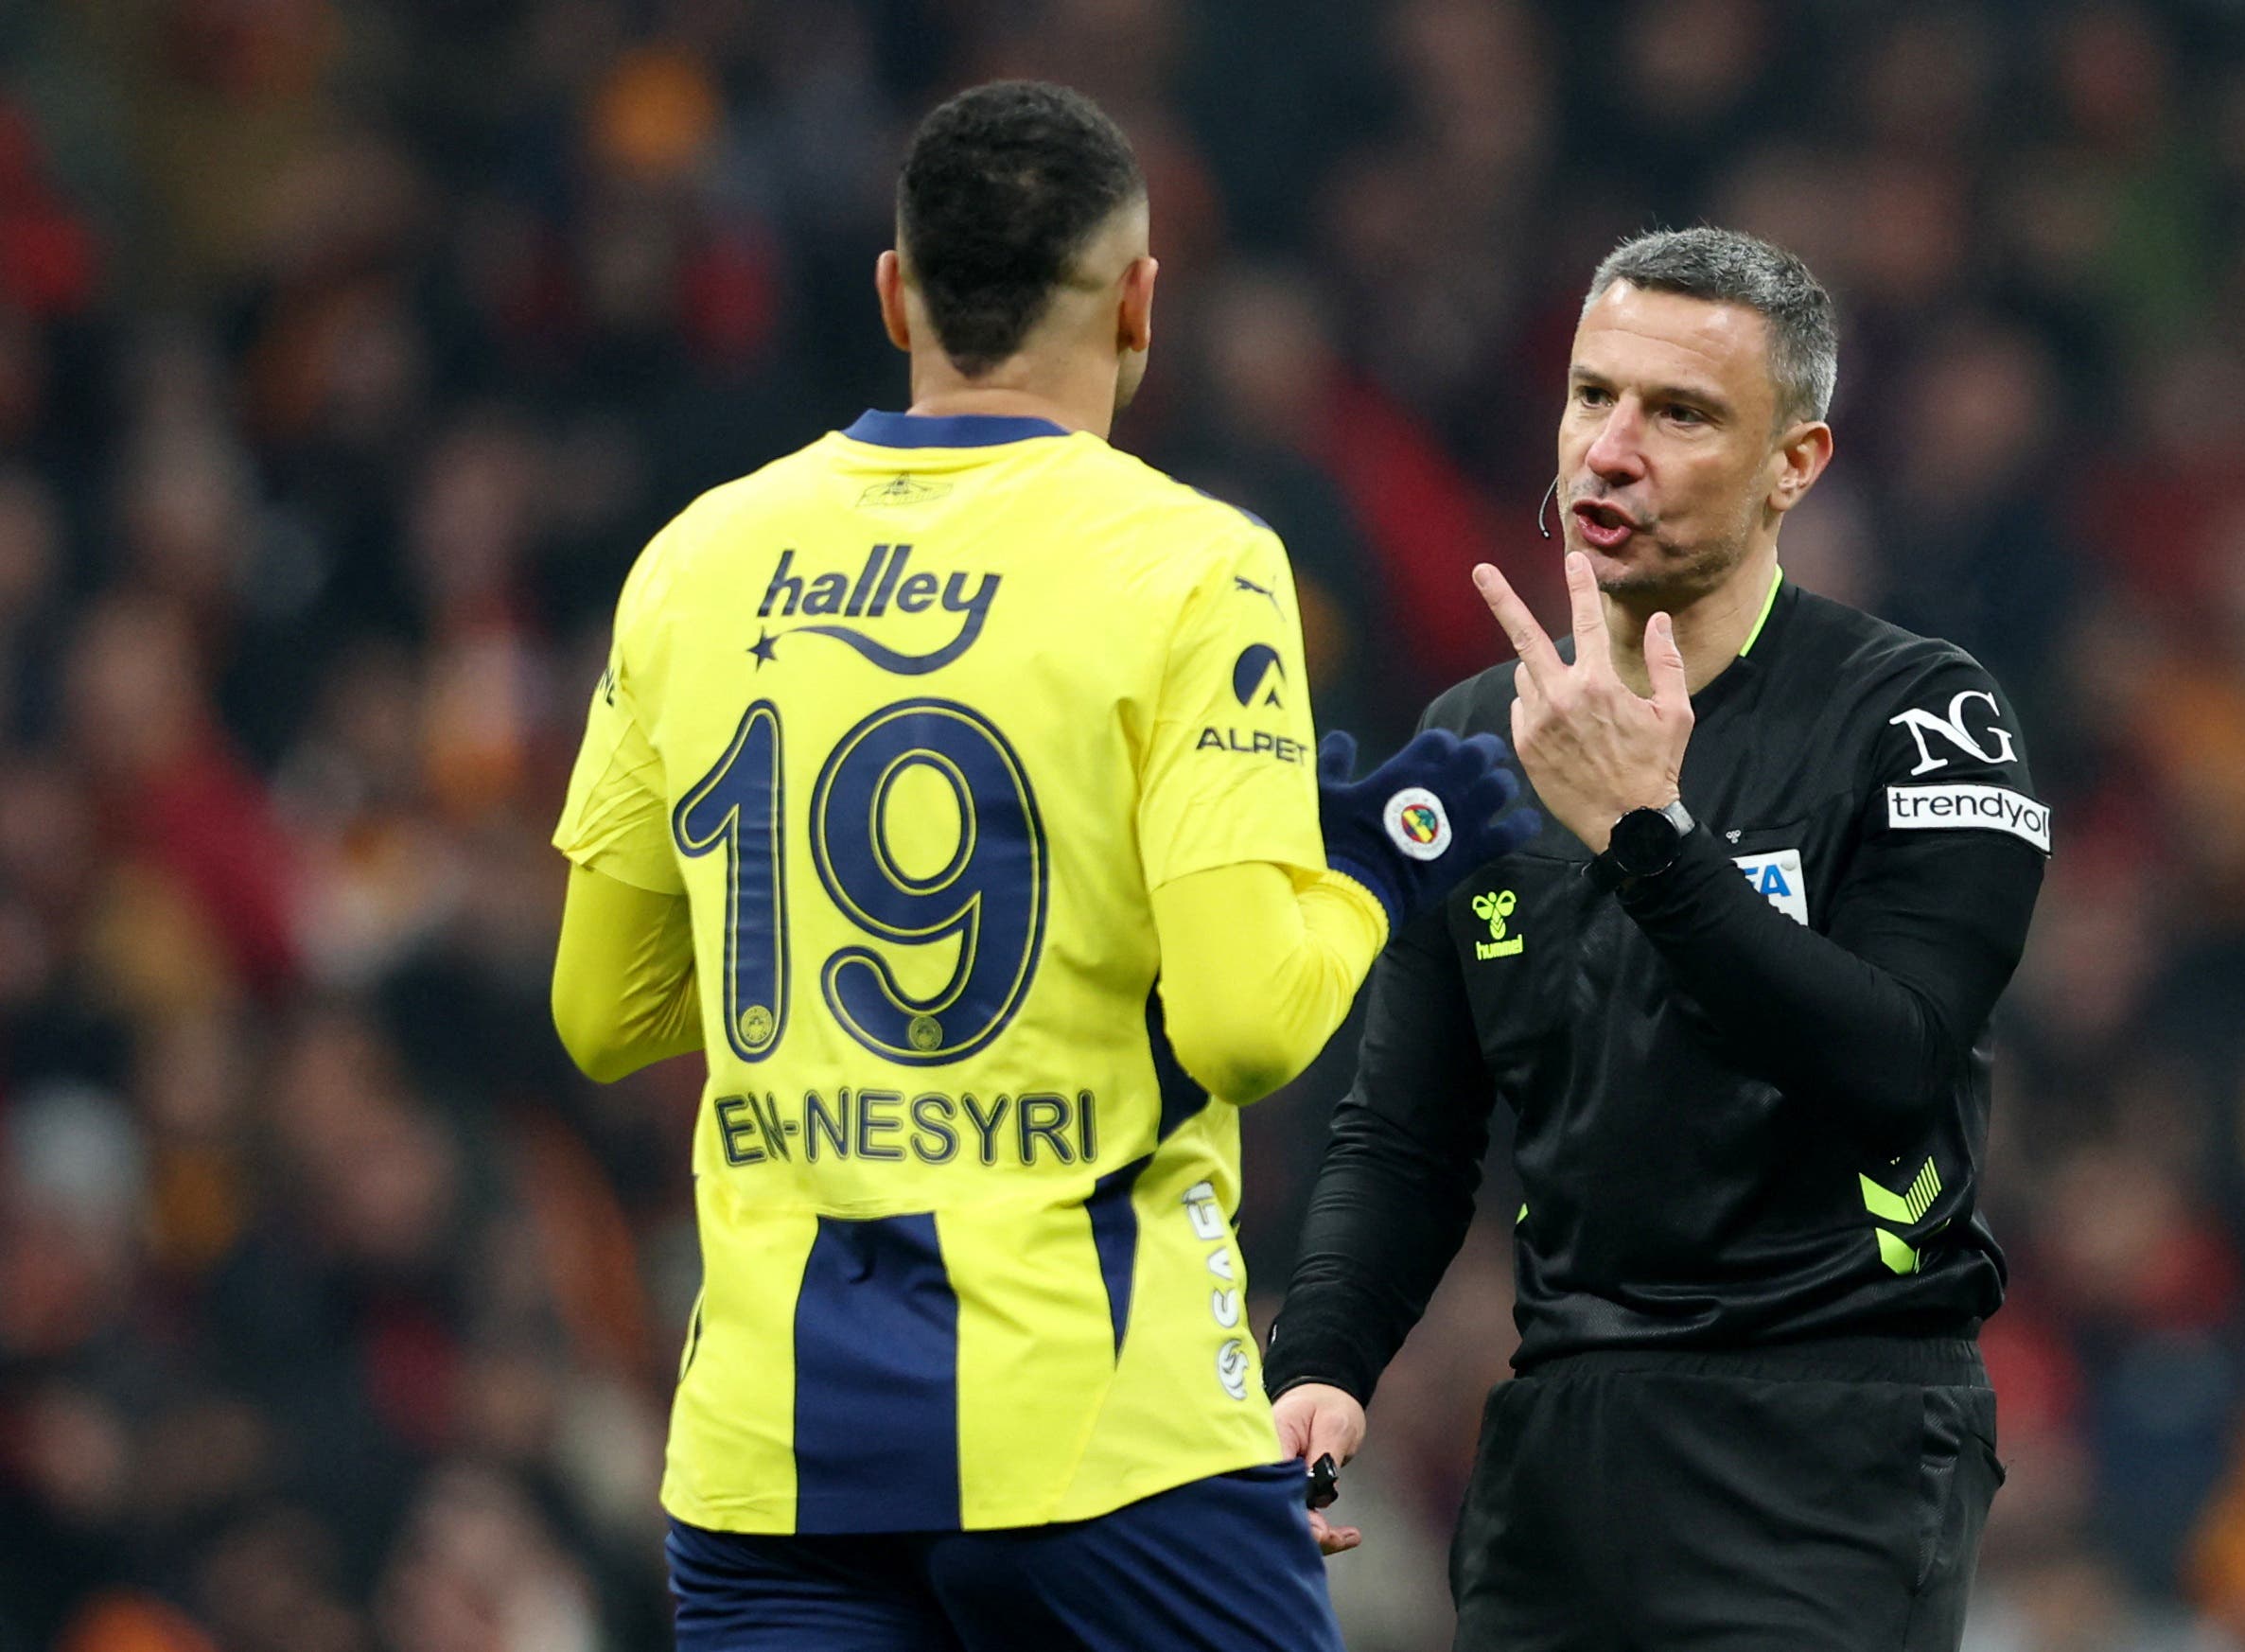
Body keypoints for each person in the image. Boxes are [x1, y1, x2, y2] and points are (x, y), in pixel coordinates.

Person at [546, 80, 1530, 1652]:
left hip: (771, 1460)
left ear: (895, 294)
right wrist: (1386, 860)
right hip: (1105, 1441)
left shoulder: (697, 563)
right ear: (1141, 301)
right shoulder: (1191, 562)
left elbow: (604, 1010)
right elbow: (1246, 1025)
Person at [1265, 227, 2051, 1651]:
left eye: (1680, 413)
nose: (1610, 450)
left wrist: (1648, 836)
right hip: (1561, 1443)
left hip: (1831, 1446)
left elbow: (1895, 1055)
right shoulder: (1467, 747)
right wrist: (1324, 1359)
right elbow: (1405, 1131)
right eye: (1591, 396)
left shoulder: (1921, 717)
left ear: (1793, 465)